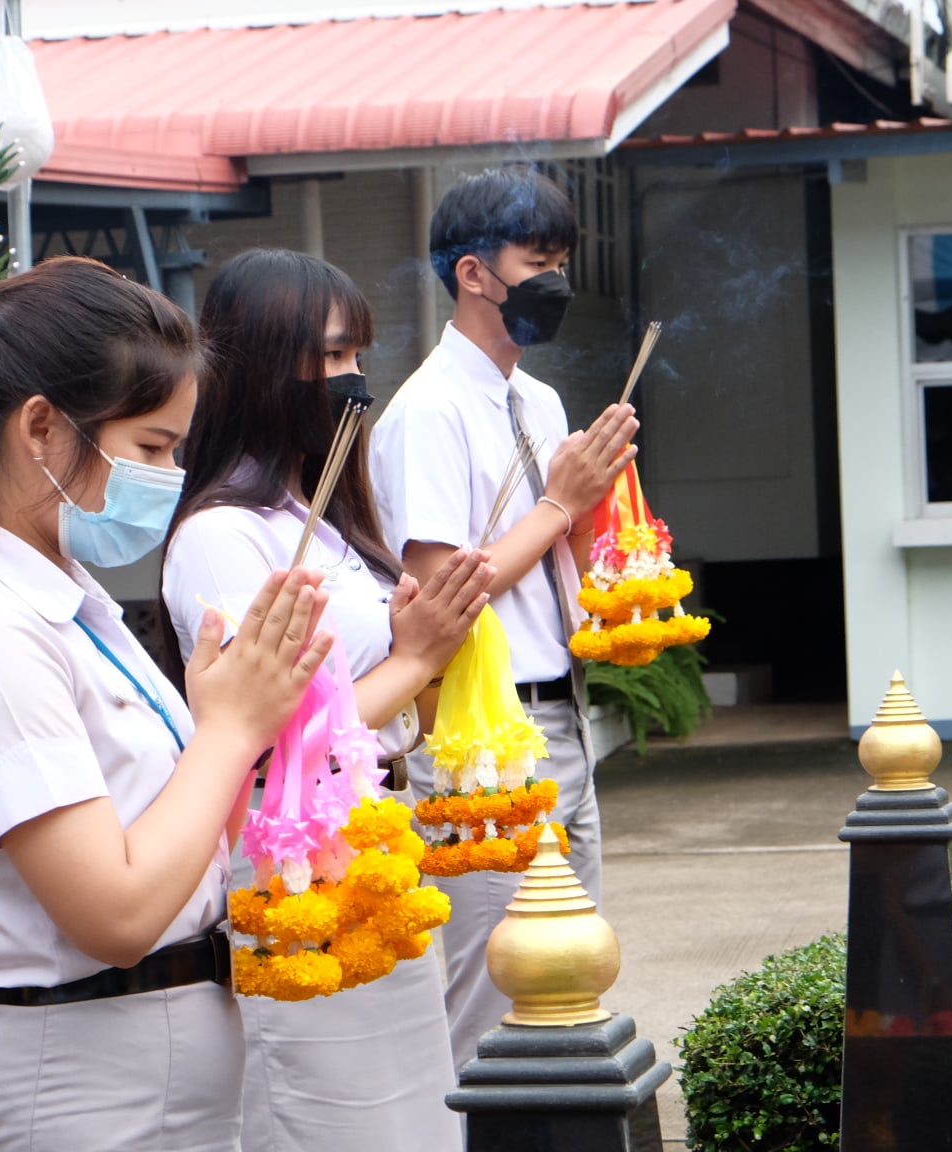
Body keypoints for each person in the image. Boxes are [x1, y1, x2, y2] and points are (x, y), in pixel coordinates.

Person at [0, 256, 336, 1151]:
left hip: (146, 1087)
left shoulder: (67, 602)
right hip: (79, 1094)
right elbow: (114, 916)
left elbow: (174, 848)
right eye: (152, 448)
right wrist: (230, 734)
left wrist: (229, 728)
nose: (168, 476)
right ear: (40, 427)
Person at [160, 248, 494, 1151]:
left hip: (374, 846)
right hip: (290, 863)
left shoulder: (331, 521)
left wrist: (429, 659)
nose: (353, 381)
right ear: (265, 367)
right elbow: (265, 735)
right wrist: (418, 657)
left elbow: (388, 716)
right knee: (328, 1119)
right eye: (332, 357)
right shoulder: (221, 536)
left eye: (358, 355)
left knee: (419, 1116)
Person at [369, 167, 640, 1073]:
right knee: (493, 991)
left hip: (561, 710)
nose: (555, 282)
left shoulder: (540, 400)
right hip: (484, 735)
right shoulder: (427, 413)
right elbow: (446, 591)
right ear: (474, 274)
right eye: (539, 261)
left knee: (570, 970)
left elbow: (550, 552)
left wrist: (604, 517)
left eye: (563, 260)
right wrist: (562, 504)